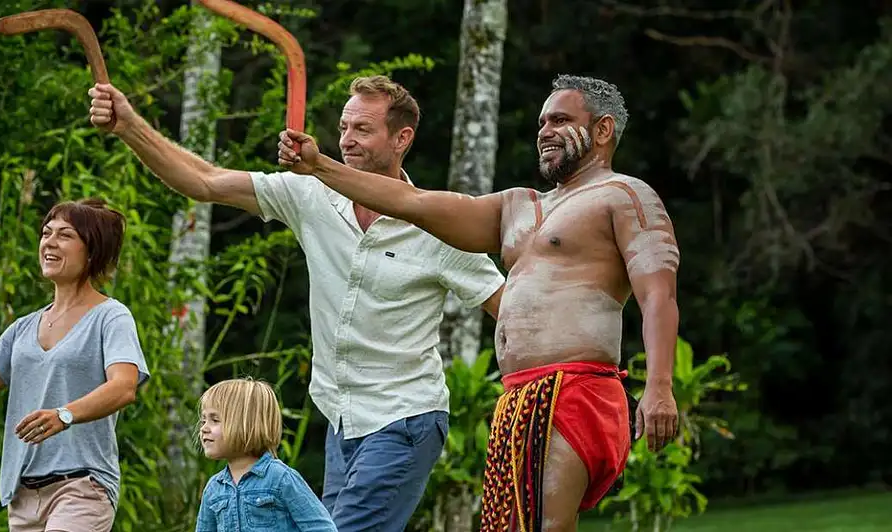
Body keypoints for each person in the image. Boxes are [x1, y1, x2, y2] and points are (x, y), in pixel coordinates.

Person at [88, 74, 505, 531]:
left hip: (404, 417)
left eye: (362, 130)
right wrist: (128, 124)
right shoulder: (312, 196)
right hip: (340, 419)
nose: (347, 140)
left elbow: (509, 310)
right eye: (344, 127)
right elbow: (204, 181)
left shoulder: (436, 224)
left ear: (402, 138)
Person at [276, 74, 681, 531]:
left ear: (603, 130)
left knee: (546, 526)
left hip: (575, 389)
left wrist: (660, 385)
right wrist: (319, 167)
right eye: (542, 121)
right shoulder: (519, 205)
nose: (545, 131)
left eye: (561, 120)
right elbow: (413, 203)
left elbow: (658, 295)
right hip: (519, 397)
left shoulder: (623, 195)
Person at [0, 198, 150, 532]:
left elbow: (124, 387)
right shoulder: (22, 329)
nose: (49, 241)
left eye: (65, 235)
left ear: (92, 251)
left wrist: (64, 414)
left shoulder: (111, 316)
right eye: (47, 233)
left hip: (81, 488)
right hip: (23, 498)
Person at [195, 378, 337, 531]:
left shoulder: (280, 478)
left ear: (247, 423)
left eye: (215, 420)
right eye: (203, 421)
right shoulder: (213, 489)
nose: (204, 428)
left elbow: (322, 528)